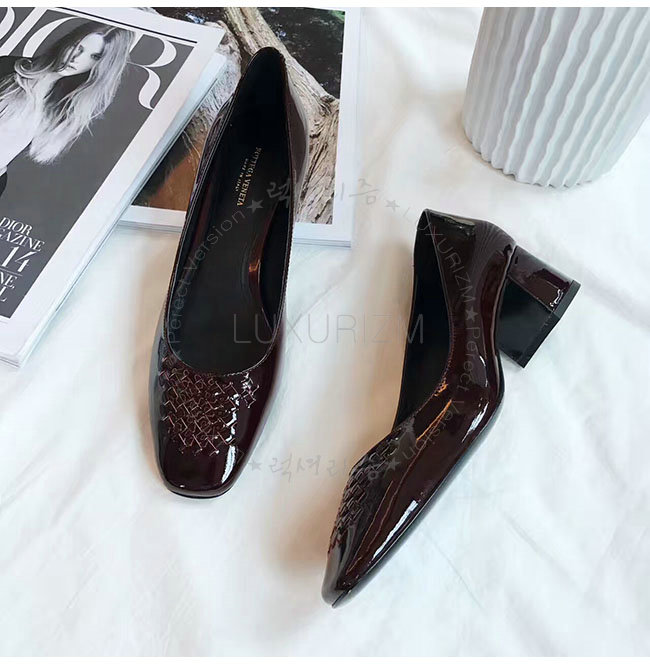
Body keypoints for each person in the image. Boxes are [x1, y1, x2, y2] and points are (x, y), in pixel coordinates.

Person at [0, 21, 132, 197]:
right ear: (67, 41)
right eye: (77, 47)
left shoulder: (64, 108)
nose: (76, 58)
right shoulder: (8, 69)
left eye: (94, 57)